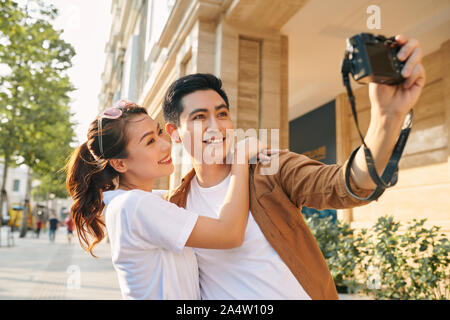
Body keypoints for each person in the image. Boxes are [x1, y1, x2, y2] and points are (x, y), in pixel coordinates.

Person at [162, 35, 426, 299]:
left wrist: (387, 118)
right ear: (174, 133)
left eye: (222, 114)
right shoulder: (175, 205)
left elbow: (346, 184)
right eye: (199, 117)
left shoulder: (269, 168)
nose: (216, 126)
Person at [65, 101, 279, 300]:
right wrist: (239, 160)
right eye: (150, 141)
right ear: (120, 164)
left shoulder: (144, 202)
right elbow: (229, 234)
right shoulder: (134, 205)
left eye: (159, 133)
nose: (165, 145)